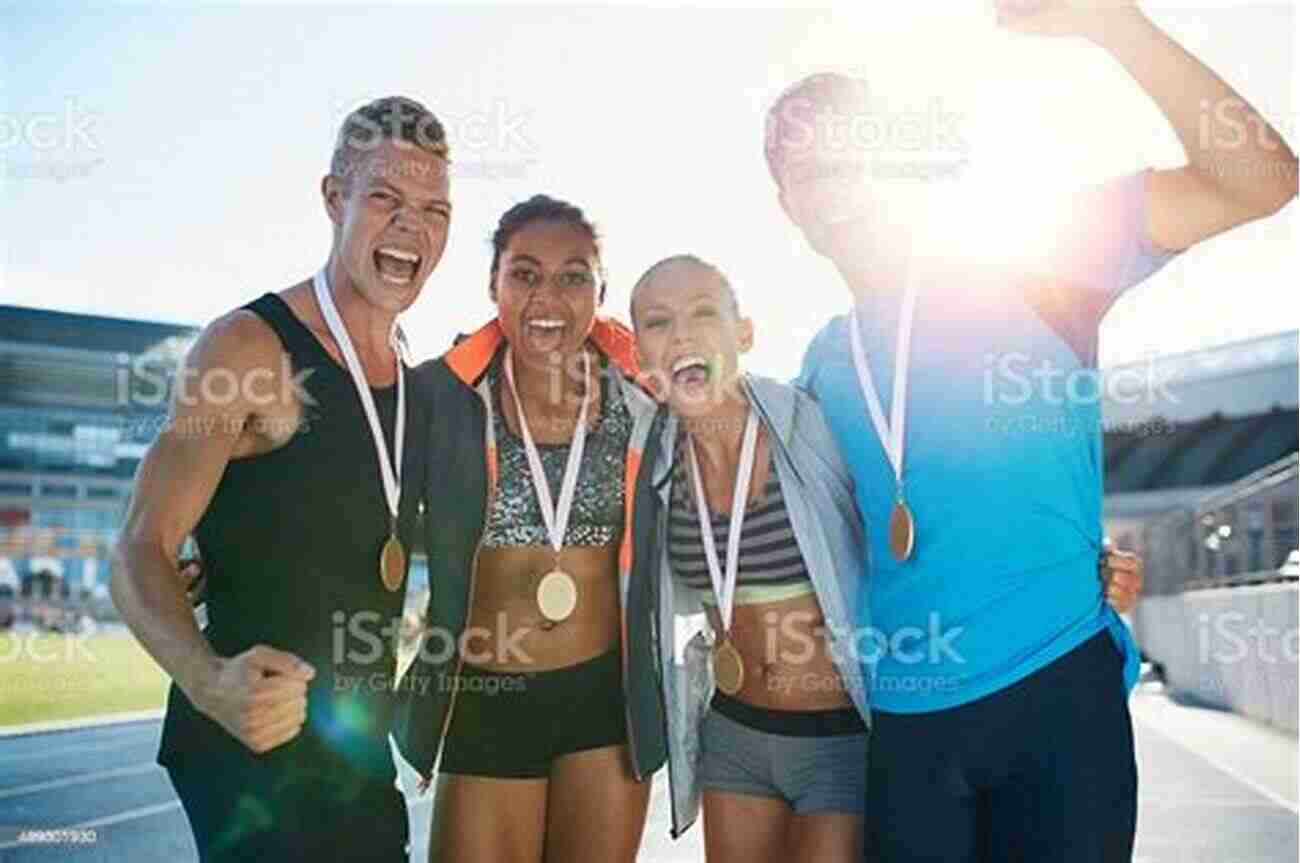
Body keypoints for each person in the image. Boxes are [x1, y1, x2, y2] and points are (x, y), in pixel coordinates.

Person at [770, 4, 1297, 861]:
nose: (829, 175)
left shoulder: (1032, 255)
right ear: (787, 206)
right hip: (908, 731)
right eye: (804, 167)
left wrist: (1118, 28)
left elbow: (1262, 180)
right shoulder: (823, 364)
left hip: (1055, 699)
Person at [626, 255, 1144, 863]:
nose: (682, 334)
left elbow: (930, 484)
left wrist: (1079, 556)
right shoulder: (650, 454)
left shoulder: (811, 422)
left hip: (837, 735)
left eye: (703, 313)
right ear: (641, 355)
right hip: (734, 735)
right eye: (658, 323)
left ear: (744, 333)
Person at [111, 96, 452, 861]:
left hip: (355, 752)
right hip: (249, 747)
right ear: (335, 200)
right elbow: (138, 546)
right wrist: (208, 680)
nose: (411, 227)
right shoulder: (247, 348)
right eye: (386, 200)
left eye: (434, 209)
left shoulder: (415, 383)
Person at [394, 195, 668, 863]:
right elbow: (357, 484)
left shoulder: (648, 397)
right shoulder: (440, 394)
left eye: (574, 275)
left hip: (605, 702)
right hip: (487, 692)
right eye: (525, 273)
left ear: (601, 289)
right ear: (494, 285)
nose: (550, 295)